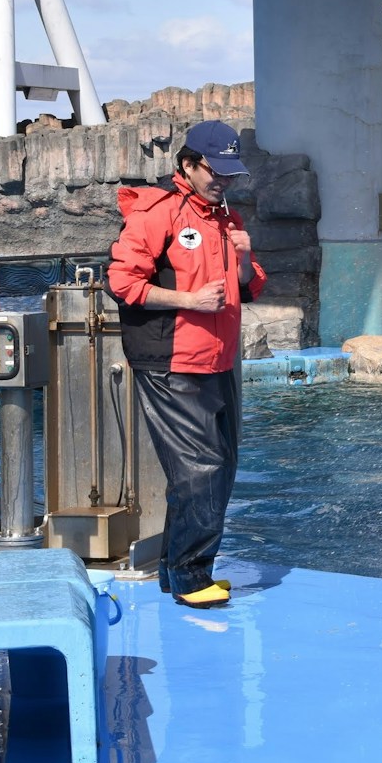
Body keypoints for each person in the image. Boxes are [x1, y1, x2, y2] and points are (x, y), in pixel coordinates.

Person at [108, 120, 266, 609]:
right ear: (188, 165)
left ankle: (175, 569)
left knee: (219, 467)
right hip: (170, 359)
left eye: (230, 172)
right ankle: (191, 577)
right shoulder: (159, 213)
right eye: (214, 170)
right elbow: (122, 283)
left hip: (217, 359)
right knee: (201, 469)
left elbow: (250, 286)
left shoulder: (227, 217)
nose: (223, 180)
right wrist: (189, 300)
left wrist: (245, 259)